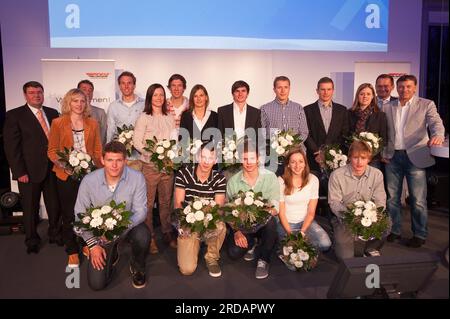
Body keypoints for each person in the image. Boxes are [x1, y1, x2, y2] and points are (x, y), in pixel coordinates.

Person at [74, 141, 150, 290]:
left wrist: (120, 229)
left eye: (119, 160)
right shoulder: (89, 181)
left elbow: (141, 211)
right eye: (110, 160)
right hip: (101, 235)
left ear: (125, 161)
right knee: (96, 284)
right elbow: (79, 216)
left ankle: (138, 266)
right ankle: (112, 252)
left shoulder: (137, 178)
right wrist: (93, 245)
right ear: (102, 160)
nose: (114, 165)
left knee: (143, 234)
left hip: (127, 228)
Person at [382, 74, 445, 248]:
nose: (405, 90)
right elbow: (383, 131)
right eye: (401, 87)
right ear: (397, 88)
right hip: (392, 157)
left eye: (409, 86)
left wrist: (438, 135)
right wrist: (382, 152)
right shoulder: (388, 106)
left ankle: (420, 233)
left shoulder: (426, 104)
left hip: (416, 157)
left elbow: (436, 123)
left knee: (417, 200)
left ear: (415, 87)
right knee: (392, 198)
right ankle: (394, 231)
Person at [3, 81, 62, 253]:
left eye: (39, 92)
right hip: (28, 171)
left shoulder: (52, 113)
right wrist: (19, 171)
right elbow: (11, 146)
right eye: (32, 92)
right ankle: (32, 240)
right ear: (25, 95)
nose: (36, 95)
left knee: (54, 205)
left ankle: (55, 234)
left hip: (52, 169)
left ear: (43, 94)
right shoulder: (15, 115)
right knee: (30, 207)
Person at [47, 88, 103, 267]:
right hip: (66, 175)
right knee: (69, 213)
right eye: (75, 101)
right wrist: (67, 166)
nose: (79, 104)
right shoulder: (57, 123)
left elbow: (97, 150)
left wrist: (95, 169)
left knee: (88, 212)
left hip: (89, 175)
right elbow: (52, 151)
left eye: (82, 101)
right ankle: (71, 250)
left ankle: (87, 243)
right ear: (68, 103)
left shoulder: (92, 123)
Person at [133, 83, 178, 254]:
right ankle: (150, 236)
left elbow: (173, 137)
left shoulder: (169, 117)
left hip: (167, 166)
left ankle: (167, 231)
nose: (159, 98)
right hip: (150, 166)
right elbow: (137, 142)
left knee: (166, 201)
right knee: (149, 203)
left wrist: (170, 152)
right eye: (155, 95)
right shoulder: (144, 117)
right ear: (150, 97)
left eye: (161, 95)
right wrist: (153, 154)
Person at [226, 142, 279, 279]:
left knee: (271, 222)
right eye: (244, 159)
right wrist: (237, 231)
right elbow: (228, 211)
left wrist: (260, 212)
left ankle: (264, 259)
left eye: (251, 158)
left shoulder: (270, 177)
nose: (248, 162)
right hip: (244, 225)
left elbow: (275, 206)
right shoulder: (233, 181)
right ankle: (253, 243)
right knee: (233, 253)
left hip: (264, 223)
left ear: (258, 159)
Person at [174, 143, 227, 277]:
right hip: (188, 222)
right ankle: (195, 243)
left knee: (220, 225)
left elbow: (219, 208)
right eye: (203, 157)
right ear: (197, 157)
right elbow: (178, 205)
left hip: (208, 221)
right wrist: (184, 225)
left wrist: (204, 218)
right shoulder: (183, 174)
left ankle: (211, 257)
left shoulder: (219, 179)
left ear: (215, 161)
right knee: (187, 270)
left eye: (210, 158)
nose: (206, 162)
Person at [328, 141, 387, 259]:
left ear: (369, 159)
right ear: (349, 157)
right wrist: (352, 216)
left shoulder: (377, 174)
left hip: (368, 216)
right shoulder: (337, 175)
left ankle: (371, 247)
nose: (359, 162)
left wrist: (372, 216)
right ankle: (338, 238)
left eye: (363, 158)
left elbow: (380, 200)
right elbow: (334, 202)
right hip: (345, 218)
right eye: (355, 158)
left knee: (387, 224)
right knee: (346, 259)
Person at [277, 147, 331, 252]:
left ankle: (303, 246)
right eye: (293, 162)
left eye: (301, 161)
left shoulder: (313, 180)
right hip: (286, 224)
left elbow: (311, 212)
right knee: (291, 248)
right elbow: (281, 213)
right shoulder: (280, 181)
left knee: (325, 244)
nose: (297, 166)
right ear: (288, 164)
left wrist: (302, 233)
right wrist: (290, 235)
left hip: (306, 222)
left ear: (305, 163)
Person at [260, 76, 309, 176]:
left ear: (289, 88)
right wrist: (278, 145)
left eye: (285, 87)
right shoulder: (265, 109)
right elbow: (262, 133)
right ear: (274, 89)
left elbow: (304, 132)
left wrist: (291, 145)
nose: (283, 91)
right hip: (274, 157)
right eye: (279, 87)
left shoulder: (298, 108)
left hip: (296, 156)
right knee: (275, 186)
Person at [304, 77, 349, 174]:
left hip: (336, 158)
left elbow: (344, 134)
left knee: (334, 187)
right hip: (314, 158)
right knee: (315, 185)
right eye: (323, 89)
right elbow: (305, 134)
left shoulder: (342, 110)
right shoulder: (307, 110)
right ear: (317, 91)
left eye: (329, 89)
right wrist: (317, 152)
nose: (326, 92)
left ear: (333, 90)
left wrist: (331, 152)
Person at [106, 71, 145, 169]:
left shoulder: (144, 104)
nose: (126, 86)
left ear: (134, 85)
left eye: (129, 83)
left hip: (139, 158)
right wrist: (108, 154)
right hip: (119, 158)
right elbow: (110, 131)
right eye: (123, 83)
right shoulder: (113, 106)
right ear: (119, 86)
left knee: (137, 184)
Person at [349, 83, 387, 169]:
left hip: (373, 159)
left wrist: (372, 152)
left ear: (373, 96)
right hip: (353, 158)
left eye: (368, 94)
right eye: (362, 94)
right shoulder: (349, 113)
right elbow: (345, 134)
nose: (365, 96)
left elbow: (383, 139)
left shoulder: (380, 115)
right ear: (357, 96)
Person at [77, 79, 107, 146]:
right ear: (77, 92)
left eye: (90, 90)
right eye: (84, 89)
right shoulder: (69, 113)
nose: (87, 92)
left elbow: (104, 134)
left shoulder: (100, 113)